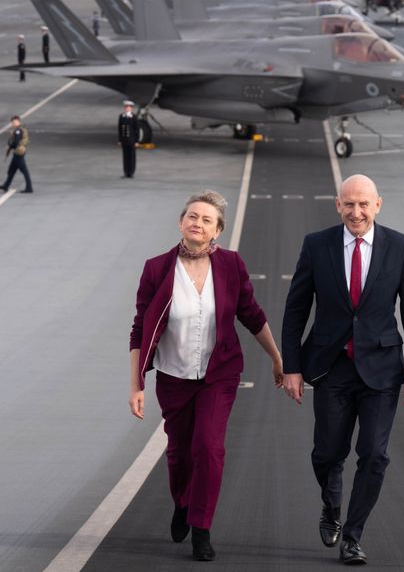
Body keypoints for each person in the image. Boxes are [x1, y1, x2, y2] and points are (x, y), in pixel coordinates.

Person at [281, 174, 404, 566]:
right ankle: (331, 505)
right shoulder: (317, 245)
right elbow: (296, 309)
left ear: (378, 205)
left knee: (375, 455)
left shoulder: (400, 246)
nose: (356, 211)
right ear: (337, 205)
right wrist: (291, 366)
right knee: (327, 453)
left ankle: (353, 535)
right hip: (331, 368)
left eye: (364, 204)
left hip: (382, 370)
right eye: (349, 204)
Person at [128, 191, 284, 562]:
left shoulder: (230, 265)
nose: (197, 223)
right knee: (180, 453)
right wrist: (136, 384)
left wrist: (277, 358)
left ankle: (201, 527)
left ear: (218, 231)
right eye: (192, 216)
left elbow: (251, 313)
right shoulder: (157, 268)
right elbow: (139, 329)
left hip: (219, 374)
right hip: (173, 376)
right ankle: (182, 504)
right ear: (182, 222)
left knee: (209, 448)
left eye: (206, 220)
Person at [0, 115, 33, 193]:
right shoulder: (21, 129)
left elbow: (16, 143)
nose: (13, 123)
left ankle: (29, 188)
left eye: (14, 122)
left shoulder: (17, 131)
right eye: (12, 122)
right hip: (18, 152)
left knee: (24, 171)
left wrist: (10, 145)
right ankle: (6, 185)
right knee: (11, 170)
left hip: (18, 153)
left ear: (18, 121)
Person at [118, 100, 139, 178]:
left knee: (132, 157)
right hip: (124, 140)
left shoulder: (133, 117)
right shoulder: (121, 116)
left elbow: (136, 129)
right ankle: (126, 172)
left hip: (131, 140)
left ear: (131, 108)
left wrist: (136, 141)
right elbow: (120, 129)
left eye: (129, 107)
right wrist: (120, 140)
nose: (127, 108)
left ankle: (131, 172)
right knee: (125, 157)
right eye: (126, 107)